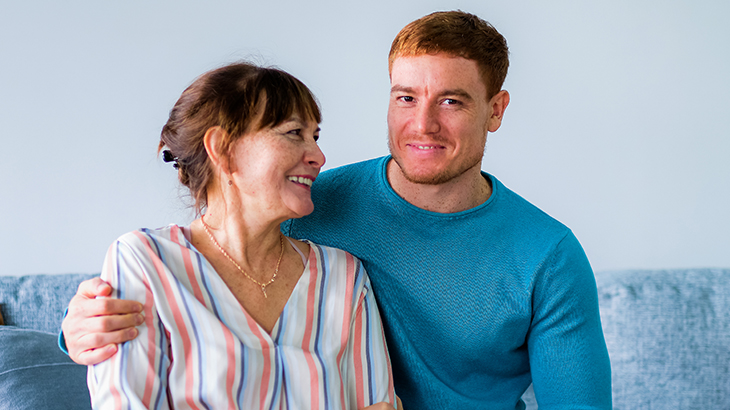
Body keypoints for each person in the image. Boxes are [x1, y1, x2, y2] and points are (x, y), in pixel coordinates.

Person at [62, 11, 611, 409]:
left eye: (451, 101)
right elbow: (201, 256)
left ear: (496, 110)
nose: (422, 124)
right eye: (405, 97)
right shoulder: (308, 202)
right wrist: (81, 327)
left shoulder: (548, 255)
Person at [81, 62, 397, 409]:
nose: (319, 157)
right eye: (294, 132)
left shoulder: (343, 276)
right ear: (223, 149)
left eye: (315, 137)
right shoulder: (144, 262)